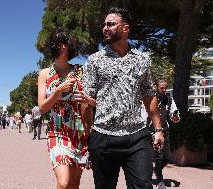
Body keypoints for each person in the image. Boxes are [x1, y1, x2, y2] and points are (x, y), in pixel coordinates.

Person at [82, 7, 164, 189]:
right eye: (104, 24)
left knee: (143, 186)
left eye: (110, 24)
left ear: (125, 28)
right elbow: (86, 101)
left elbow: (149, 95)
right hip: (103, 138)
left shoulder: (142, 60)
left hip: (137, 137)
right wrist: (89, 135)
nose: (104, 28)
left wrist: (158, 129)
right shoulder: (95, 60)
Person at [37, 28, 93, 189]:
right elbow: (42, 108)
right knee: (63, 183)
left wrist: (90, 127)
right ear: (53, 46)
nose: (62, 46)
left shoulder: (79, 71)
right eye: (58, 43)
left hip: (79, 131)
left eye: (65, 43)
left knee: (74, 184)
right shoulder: (45, 74)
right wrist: (58, 91)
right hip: (57, 131)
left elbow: (86, 103)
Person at [148, 80, 180, 189]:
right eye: (162, 88)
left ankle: (156, 170)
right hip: (154, 132)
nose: (164, 90)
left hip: (166, 131)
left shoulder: (169, 99)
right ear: (156, 87)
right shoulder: (151, 99)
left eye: (165, 88)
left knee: (167, 158)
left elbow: (174, 116)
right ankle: (160, 180)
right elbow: (144, 115)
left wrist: (175, 117)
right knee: (159, 157)